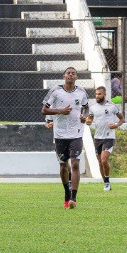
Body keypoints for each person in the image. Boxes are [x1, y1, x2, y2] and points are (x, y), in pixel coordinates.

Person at [42, 67, 89, 209]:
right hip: (60, 135)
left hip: (76, 134)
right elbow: (44, 109)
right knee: (63, 166)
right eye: (68, 73)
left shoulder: (81, 92)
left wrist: (84, 116)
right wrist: (60, 111)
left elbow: (86, 107)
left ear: (76, 77)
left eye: (73, 73)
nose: (71, 75)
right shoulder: (56, 91)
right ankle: (66, 193)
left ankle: (73, 198)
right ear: (64, 76)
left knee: (75, 164)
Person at [86, 86, 124, 191]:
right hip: (98, 137)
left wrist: (116, 125)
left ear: (104, 94)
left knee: (104, 160)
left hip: (109, 137)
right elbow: (90, 118)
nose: (97, 96)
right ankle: (106, 182)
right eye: (96, 94)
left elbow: (121, 119)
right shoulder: (93, 107)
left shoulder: (112, 106)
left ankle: (107, 181)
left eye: (100, 94)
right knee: (99, 162)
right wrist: (88, 121)